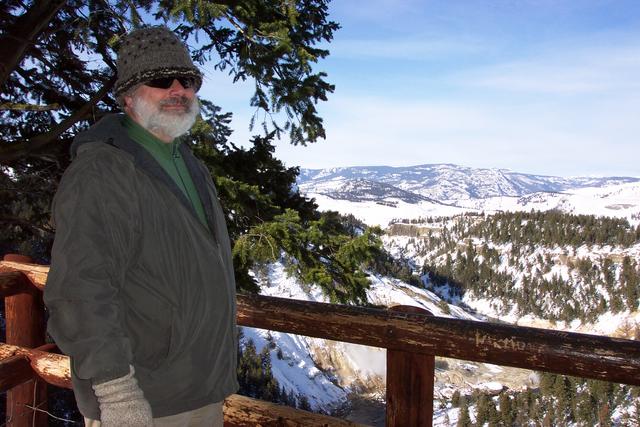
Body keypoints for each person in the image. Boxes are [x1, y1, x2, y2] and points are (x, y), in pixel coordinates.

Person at [44, 26, 238, 427]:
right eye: (160, 80)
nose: (178, 89)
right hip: (145, 401)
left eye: (187, 80)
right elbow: (81, 287)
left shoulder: (186, 163)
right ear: (128, 96)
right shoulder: (103, 170)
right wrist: (117, 394)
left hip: (199, 389)